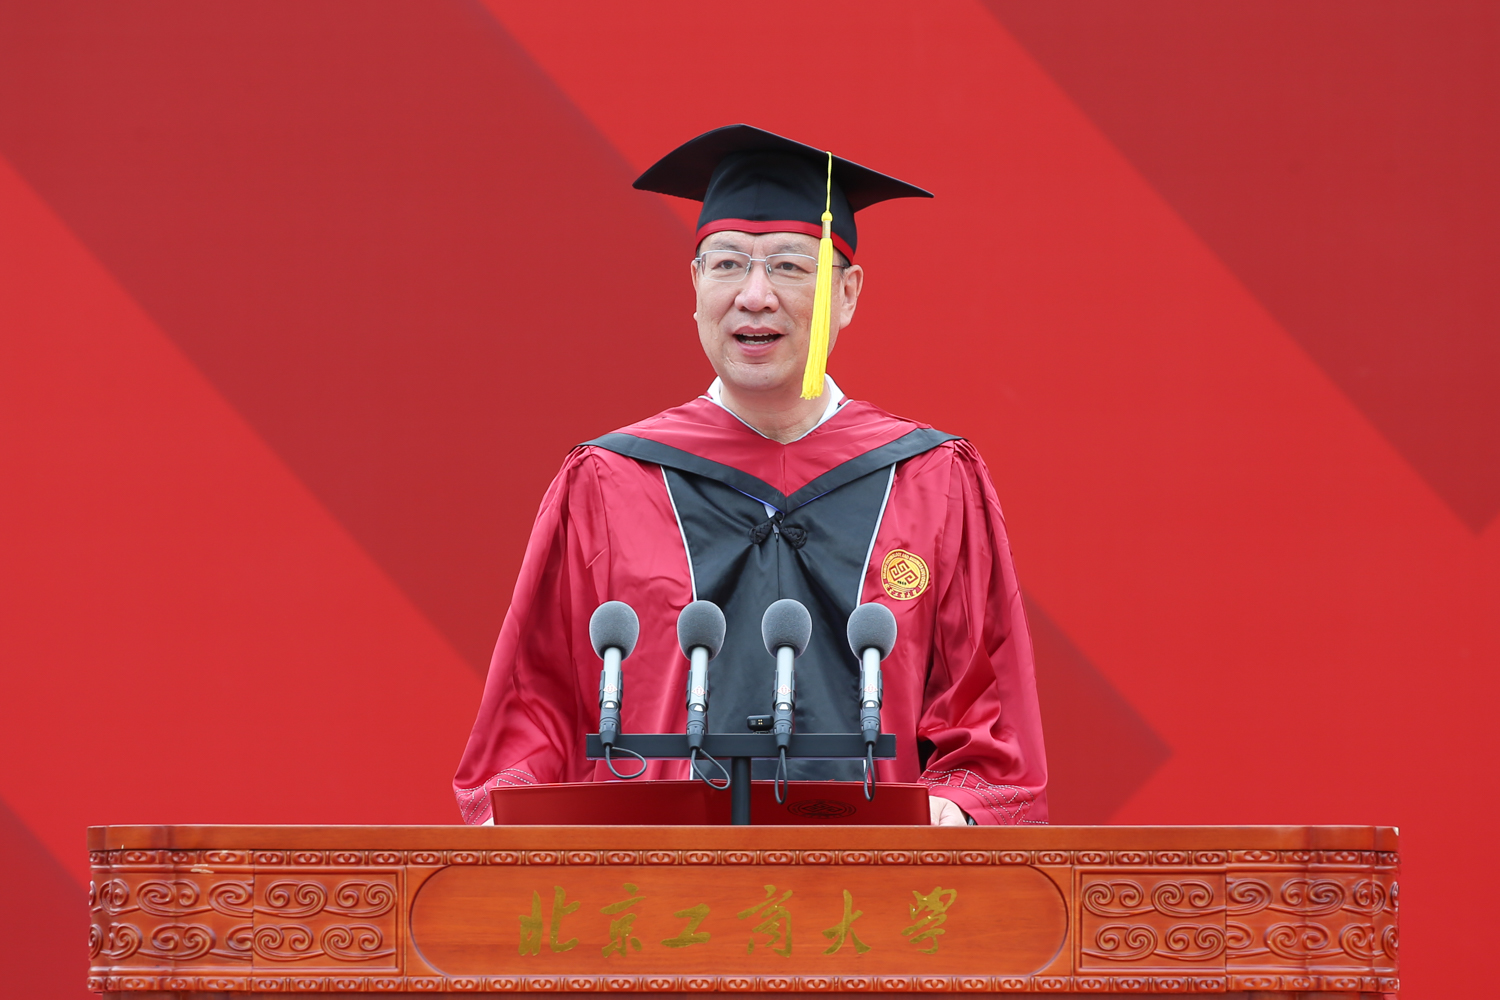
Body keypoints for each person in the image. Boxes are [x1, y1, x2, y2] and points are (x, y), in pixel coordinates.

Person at [454, 125, 1047, 826]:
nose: (755, 295)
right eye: (729, 263)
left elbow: (986, 721)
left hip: (869, 879)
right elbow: (534, 710)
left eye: (790, 266)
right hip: (659, 881)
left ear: (847, 293)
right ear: (695, 285)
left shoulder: (929, 480)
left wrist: (958, 808)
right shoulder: (610, 482)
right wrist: (509, 821)